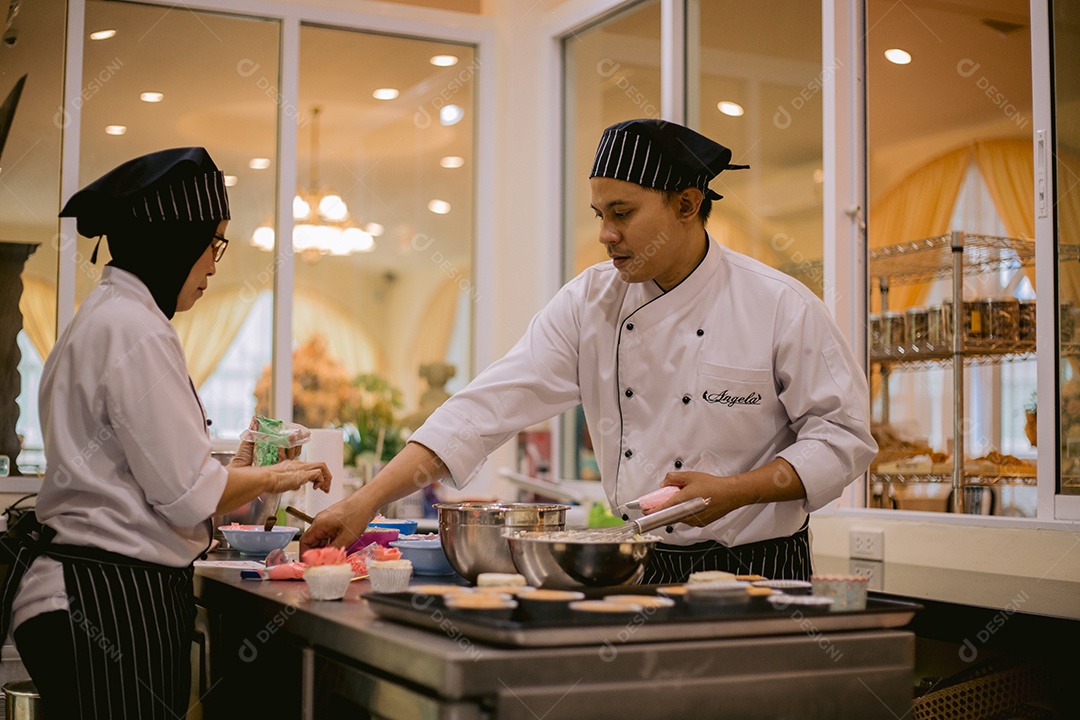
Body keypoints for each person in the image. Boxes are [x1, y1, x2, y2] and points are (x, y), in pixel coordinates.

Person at [302, 119, 875, 583]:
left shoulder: (779, 304)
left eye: (622, 213)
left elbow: (843, 439)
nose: (605, 234)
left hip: (760, 571)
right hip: (642, 568)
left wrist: (734, 492)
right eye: (600, 215)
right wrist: (365, 503)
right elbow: (480, 411)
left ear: (687, 203)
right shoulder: (588, 304)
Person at [1, 147, 333, 719]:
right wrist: (278, 473)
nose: (213, 264)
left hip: (92, 591)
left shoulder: (107, 315)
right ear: (174, 240)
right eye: (213, 242)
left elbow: (157, 481)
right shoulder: (135, 329)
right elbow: (187, 497)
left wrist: (237, 469)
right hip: (106, 600)